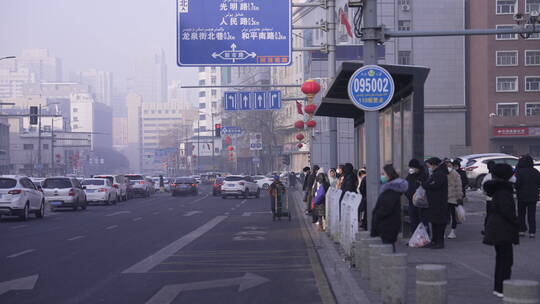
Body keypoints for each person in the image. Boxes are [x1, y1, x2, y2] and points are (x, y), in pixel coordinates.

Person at [483, 163, 519, 298]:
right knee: (506, 260)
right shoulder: (504, 191)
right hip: (503, 229)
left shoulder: (496, 189)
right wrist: (517, 223)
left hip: (496, 228)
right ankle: (502, 288)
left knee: (501, 259)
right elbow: (508, 212)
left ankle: (499, 287)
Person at [371, 164, 408, 251]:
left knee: (388, 248)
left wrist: (377, 215)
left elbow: (386, 208)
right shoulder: (390, 188)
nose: (382, 176)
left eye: (383, 174)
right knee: (389, 246)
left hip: (388, 224)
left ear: (389, 175)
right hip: (389, 223)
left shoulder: (391, 190)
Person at [422, 157, 449, 249]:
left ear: (434, 165)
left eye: (429, 165)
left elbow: (433, 185)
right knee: (434, 222)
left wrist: (425, 184)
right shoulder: (437, 173)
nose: (429, 167)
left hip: (439, 202)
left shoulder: (439, 174)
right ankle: (434, 240)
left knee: (439, 223)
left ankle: (439, 242)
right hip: (435, 202)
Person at [514, 155, 540, 238]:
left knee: (521, 214)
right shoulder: (535, 171)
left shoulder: (519, 172)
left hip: (522, 196)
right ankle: (532, 232)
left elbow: (517, 184)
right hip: (533, 196)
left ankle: (521, 230)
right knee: (531, 215)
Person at [405, 159, 429, 231]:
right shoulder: (410, 176)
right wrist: (407, 194)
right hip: (411, 201)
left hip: (421, 202)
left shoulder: (423, 175)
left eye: (412, 168)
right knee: (413, 221)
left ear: (417, 168)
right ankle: (414, 240)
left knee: (423, 221)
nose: (411, 169)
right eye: (410, 167)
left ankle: (424, 239)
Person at [446, 160, 464, 239]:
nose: (449, 167)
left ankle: (452, 231)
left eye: (450, 166)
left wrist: (459, 197)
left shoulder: (456, 174)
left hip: (453, 198)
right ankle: (446, 231)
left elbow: (459, 186)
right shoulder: (443, 174)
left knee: (453, 216)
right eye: (447, 166)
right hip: (446, 198)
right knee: (446, 215)